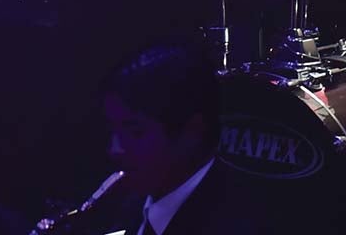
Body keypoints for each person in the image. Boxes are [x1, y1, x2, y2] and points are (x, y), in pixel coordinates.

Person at [97, 40, 278, 235]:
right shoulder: (134, 199)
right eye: (112, 129)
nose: (114, 149)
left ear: (192, 132)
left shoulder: (233, 225)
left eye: (135, 132)